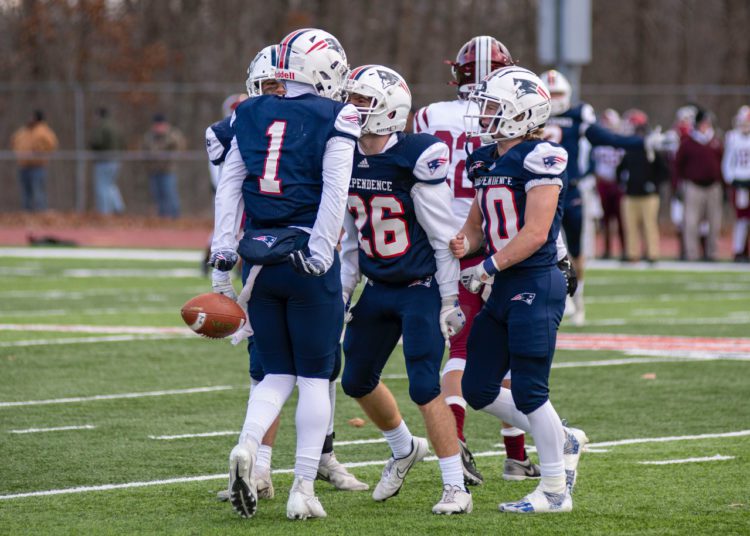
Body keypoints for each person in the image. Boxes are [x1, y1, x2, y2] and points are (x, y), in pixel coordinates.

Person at [210, 28, 359, 521]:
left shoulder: (247, 112)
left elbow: (229, 188)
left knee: (273, 373)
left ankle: (248, 449)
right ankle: (301, 488)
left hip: (259, 258)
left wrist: (223, 258)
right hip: (304, 255)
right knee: (315, 378)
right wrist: (319, 252)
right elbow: (335, 194)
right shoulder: (337, 114)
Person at [450, 65, 587, 513]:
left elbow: (535, 232)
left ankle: (553, 490)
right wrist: (464, 243)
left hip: (536, 280)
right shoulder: (484, 159)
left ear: (522, 113)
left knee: (530, 391)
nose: (484, 114)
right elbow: (477, 224)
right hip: (504, 283)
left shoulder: (543, 156)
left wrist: (486, 264)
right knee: (478, 387)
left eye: (493, 107)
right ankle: (561, 437)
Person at [340, 65, 471, 515]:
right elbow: (352, 238)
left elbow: (441, 235)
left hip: (420, 286)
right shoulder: (344, 153)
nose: (353, 108)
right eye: (351, 98)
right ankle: (403, 448)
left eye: (363, 101)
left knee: (422, 383)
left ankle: (455, 486)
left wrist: (450, 299)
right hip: (378, 286)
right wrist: (342, 294)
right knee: (355, 379)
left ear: (389, 110)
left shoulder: (416, 154)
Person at [413, 35, 541, 485]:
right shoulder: (514, 120)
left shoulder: (429, 115)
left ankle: (489, 447)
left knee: (462, 348)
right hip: (495, 241)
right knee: (497, 351)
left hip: (445, 242)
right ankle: (514, 453)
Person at [540, 69, 659, 326]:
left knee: (576, 250)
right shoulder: (530, 117)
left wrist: (640, 142)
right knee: (543, 247)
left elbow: (607, 138)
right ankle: (558, 298)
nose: (555, 98)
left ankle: (578, 296)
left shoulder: (577, 115)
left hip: (569, 190)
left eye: (558, 93)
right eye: (550, 93)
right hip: (539, 192)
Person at [617, 109, 669, 262]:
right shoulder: (630, 148)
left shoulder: (651, 148)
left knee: (649, 226)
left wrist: (654, 184)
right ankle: (632, 254)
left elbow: (665, 171)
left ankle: (652, 254)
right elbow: (620, 169)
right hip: (631, 194)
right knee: (630, 227)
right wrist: (622, 183)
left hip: (649, 196)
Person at [675, 109, 724, 261]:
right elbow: (678, 165)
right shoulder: (688, 142)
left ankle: (712, 253)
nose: (706, 126)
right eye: (703, 123)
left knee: (714, 222)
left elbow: (723, 162)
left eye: (707, 123)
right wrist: (680, 184)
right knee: (691, 222)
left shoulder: (716, 141)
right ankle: (692, 254)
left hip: (713, 186)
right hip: (694, 185)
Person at [591, 109, 625, 259]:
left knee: (621, 218)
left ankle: (625, 249)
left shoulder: (620, 140)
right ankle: (606, 249)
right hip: (603, 183)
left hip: (618, 184)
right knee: (604, 219)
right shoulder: (596, 142)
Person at [11, 110, 58, 212]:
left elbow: (51, 144)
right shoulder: (24, 131)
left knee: (38, 192)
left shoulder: (43, 131)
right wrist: (19, 153)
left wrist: (38, 152)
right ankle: (26, 213)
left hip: (37, 166)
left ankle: (41, 213)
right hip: (24, 165)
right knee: (25, 192)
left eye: (32, 117)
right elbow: (14, 141)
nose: (29, 119)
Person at [141, 113, 186, 218]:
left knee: (170, 194)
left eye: (160, 125)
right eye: (156, 125)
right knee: (157, 195)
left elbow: (180, 148)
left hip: (168, 170)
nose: (158, 128)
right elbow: (144, 151)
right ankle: (162, 218)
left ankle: (175, 217)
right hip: (153, 170)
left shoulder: (173, 135)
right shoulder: (149, 136)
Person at [722, 105, 750, 262]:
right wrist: (731, 179)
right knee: (742, 219)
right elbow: (727, 161)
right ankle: (738, 250)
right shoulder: (732, 137)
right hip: (740, 182)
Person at [89, 107, 125, 215]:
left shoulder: (101, 126)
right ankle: (118, 207)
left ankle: (105, 212)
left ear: (99, 115)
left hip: (104, 160)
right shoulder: (116, 126)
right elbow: (123, 143)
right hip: (116, 160)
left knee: (102, 186)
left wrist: (92, 146)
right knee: (111, 185)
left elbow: (97, 142)